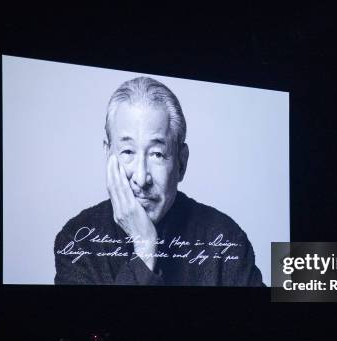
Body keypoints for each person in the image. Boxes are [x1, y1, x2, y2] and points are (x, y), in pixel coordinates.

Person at [54, 76, 263, 286]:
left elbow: (291, 301)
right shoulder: (77, 241)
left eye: (157, 154)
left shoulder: (225, 239)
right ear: (108, 154)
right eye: (127, 151)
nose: (141, 177)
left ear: (181, 162)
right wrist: (145, 249)